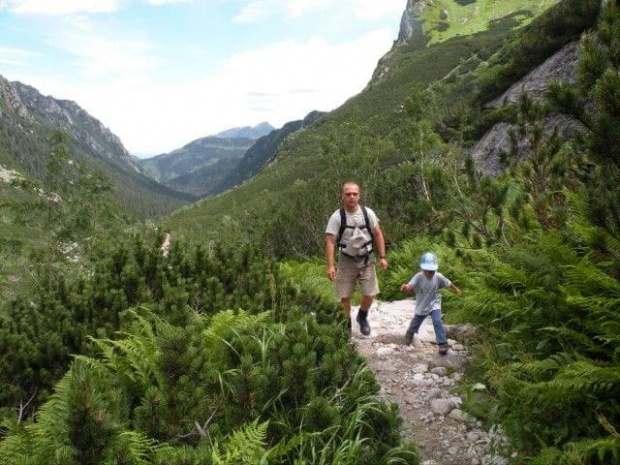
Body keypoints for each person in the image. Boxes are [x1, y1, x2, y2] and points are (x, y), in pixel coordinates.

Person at [325, 182, 388, 335]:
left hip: (366, 259)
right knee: (344, 296)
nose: (351, 197)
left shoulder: (368, 214)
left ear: (359, 195)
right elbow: (330, 241)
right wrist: (330, 265)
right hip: (346, 261)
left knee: (369, 294)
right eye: (348, 194)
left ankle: (362, 316)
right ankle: (346, 324)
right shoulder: (337, 217)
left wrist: (382, 257)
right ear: (343, 196)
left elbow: (378, 234)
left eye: (354, 194)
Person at [399, 252, 462, 355]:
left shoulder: (438, 276)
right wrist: (405, 287)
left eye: (432, 271)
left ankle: (442, 344)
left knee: (437, 321)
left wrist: (456, 290)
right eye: (428, 271)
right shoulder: (418, 277)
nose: (430, 273)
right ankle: (409, 336)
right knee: (415, 323)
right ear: (423, 269)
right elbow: (410, 285)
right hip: (422, 305)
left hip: (434, 304)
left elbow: (448, 283)